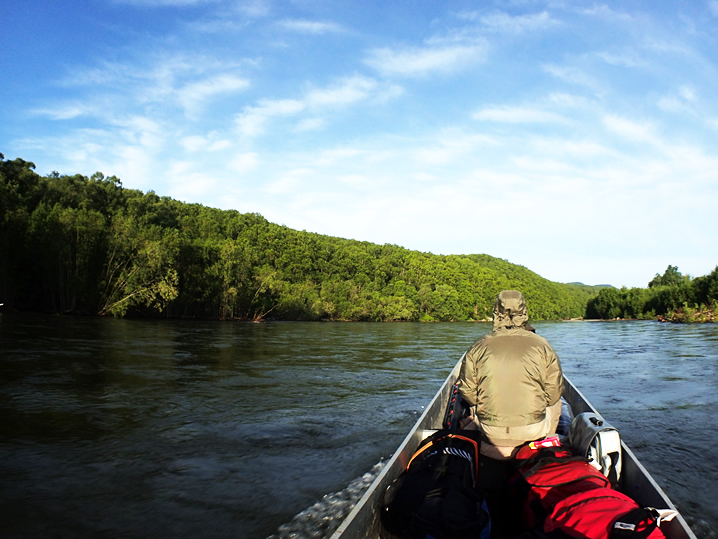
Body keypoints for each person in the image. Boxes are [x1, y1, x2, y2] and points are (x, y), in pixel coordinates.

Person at [459, 290, 564, 459]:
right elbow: (553, 394)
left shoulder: (478, 346)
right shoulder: (542, 345)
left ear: (495, 313)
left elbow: (467, 391)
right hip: (532, 431)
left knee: (475, 395)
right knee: (558, 401)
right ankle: (545, 441)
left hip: (491, 432)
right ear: (524, 312)